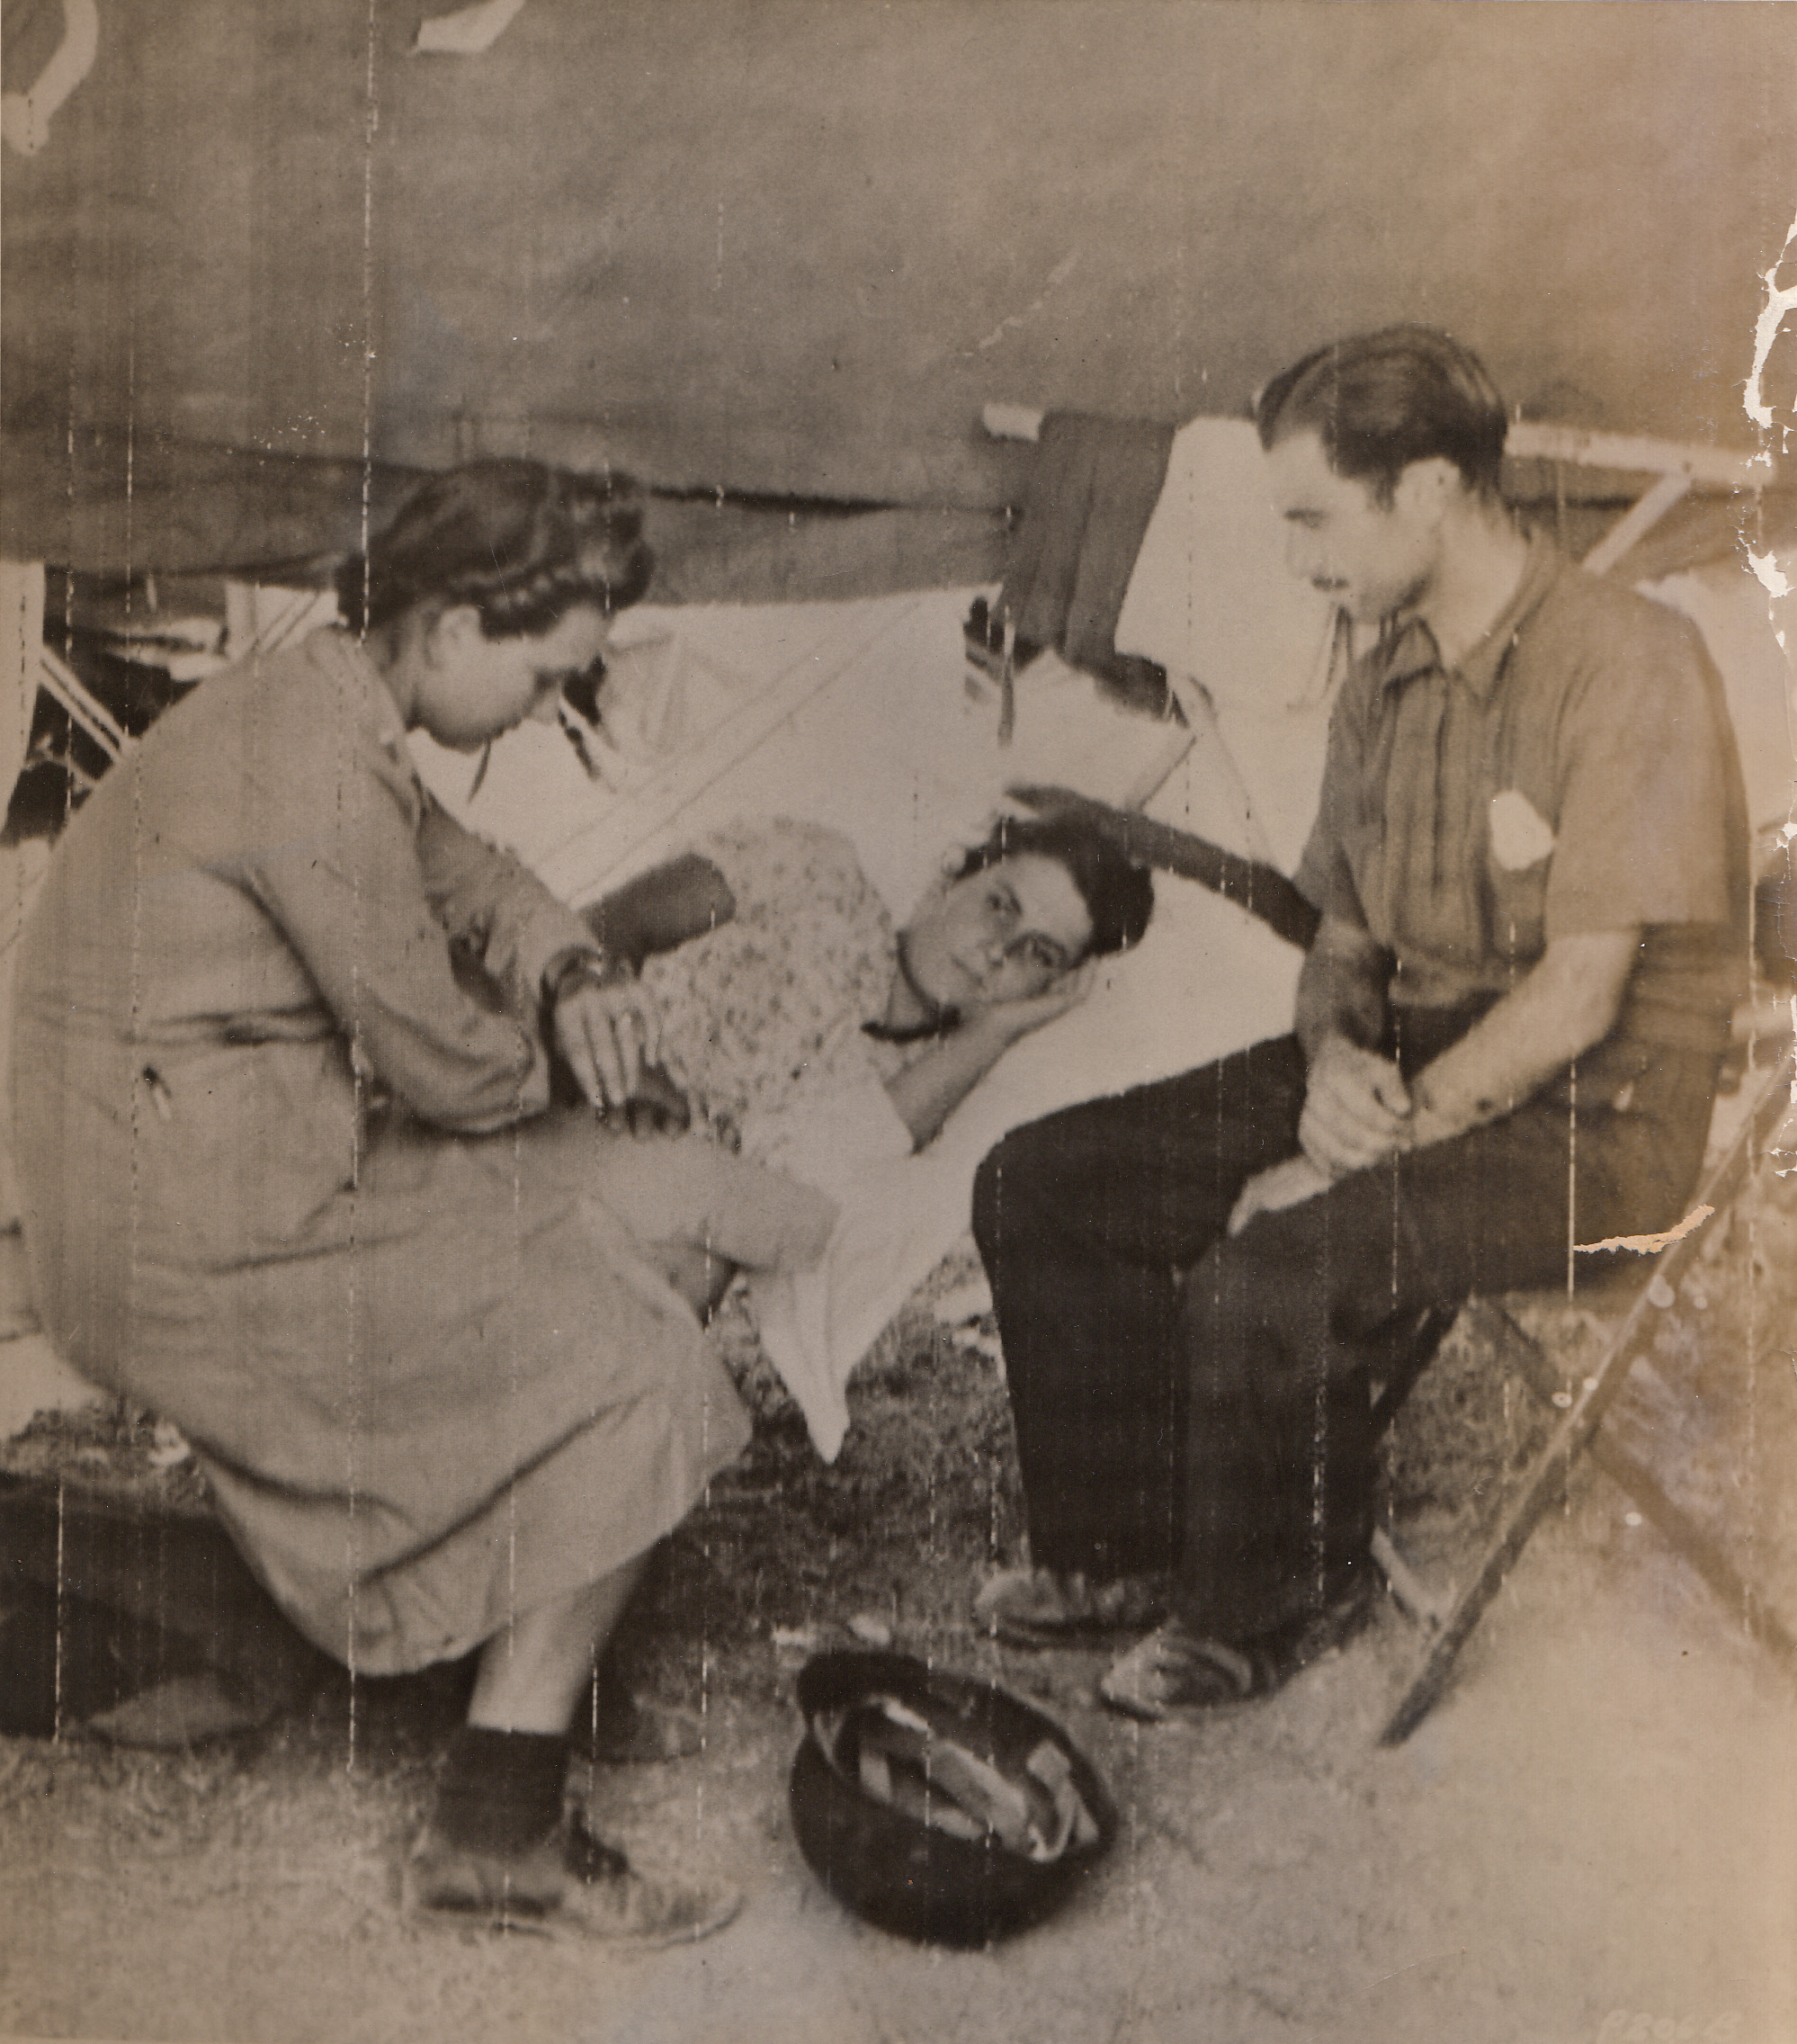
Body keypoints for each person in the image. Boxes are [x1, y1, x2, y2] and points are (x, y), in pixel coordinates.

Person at [10, 460, 842, 1944]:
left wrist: (575, 968)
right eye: (544, 670)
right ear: (453, 627)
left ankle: (542, 1628)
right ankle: (496, 1821)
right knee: (640, 1361)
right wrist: (579, 1058)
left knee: (655, 1211)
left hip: (229, 1183)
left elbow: (484, 882)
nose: (542, 704)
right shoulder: (312, 765)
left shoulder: (320, 712)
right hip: (197, 1239)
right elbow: (448, 1071)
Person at [970, 327, 1748, 1717]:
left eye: (1314, 517)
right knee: (1043, 1182)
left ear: (1431, 490)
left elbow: (1579, 997)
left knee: (1272, 1258)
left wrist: (1348, 1152)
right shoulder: (1381, 683)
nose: (1296, 559)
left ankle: (1257, 1604)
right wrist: (1330, 1055)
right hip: (1407, 1060)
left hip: (1595, 1120)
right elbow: (1341, 938)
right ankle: (1114, 1554)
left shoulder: (1631, 664)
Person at [578, 810, 1156, 1183]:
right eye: (1000, 905)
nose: (999, 951)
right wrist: (623, 1062)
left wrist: (998, 1030)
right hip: (557, 1084)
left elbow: (807, 1177)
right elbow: (601, 929)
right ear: (954, 875)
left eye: (1040, 953)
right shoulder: (816, 870)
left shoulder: (922, 1095)